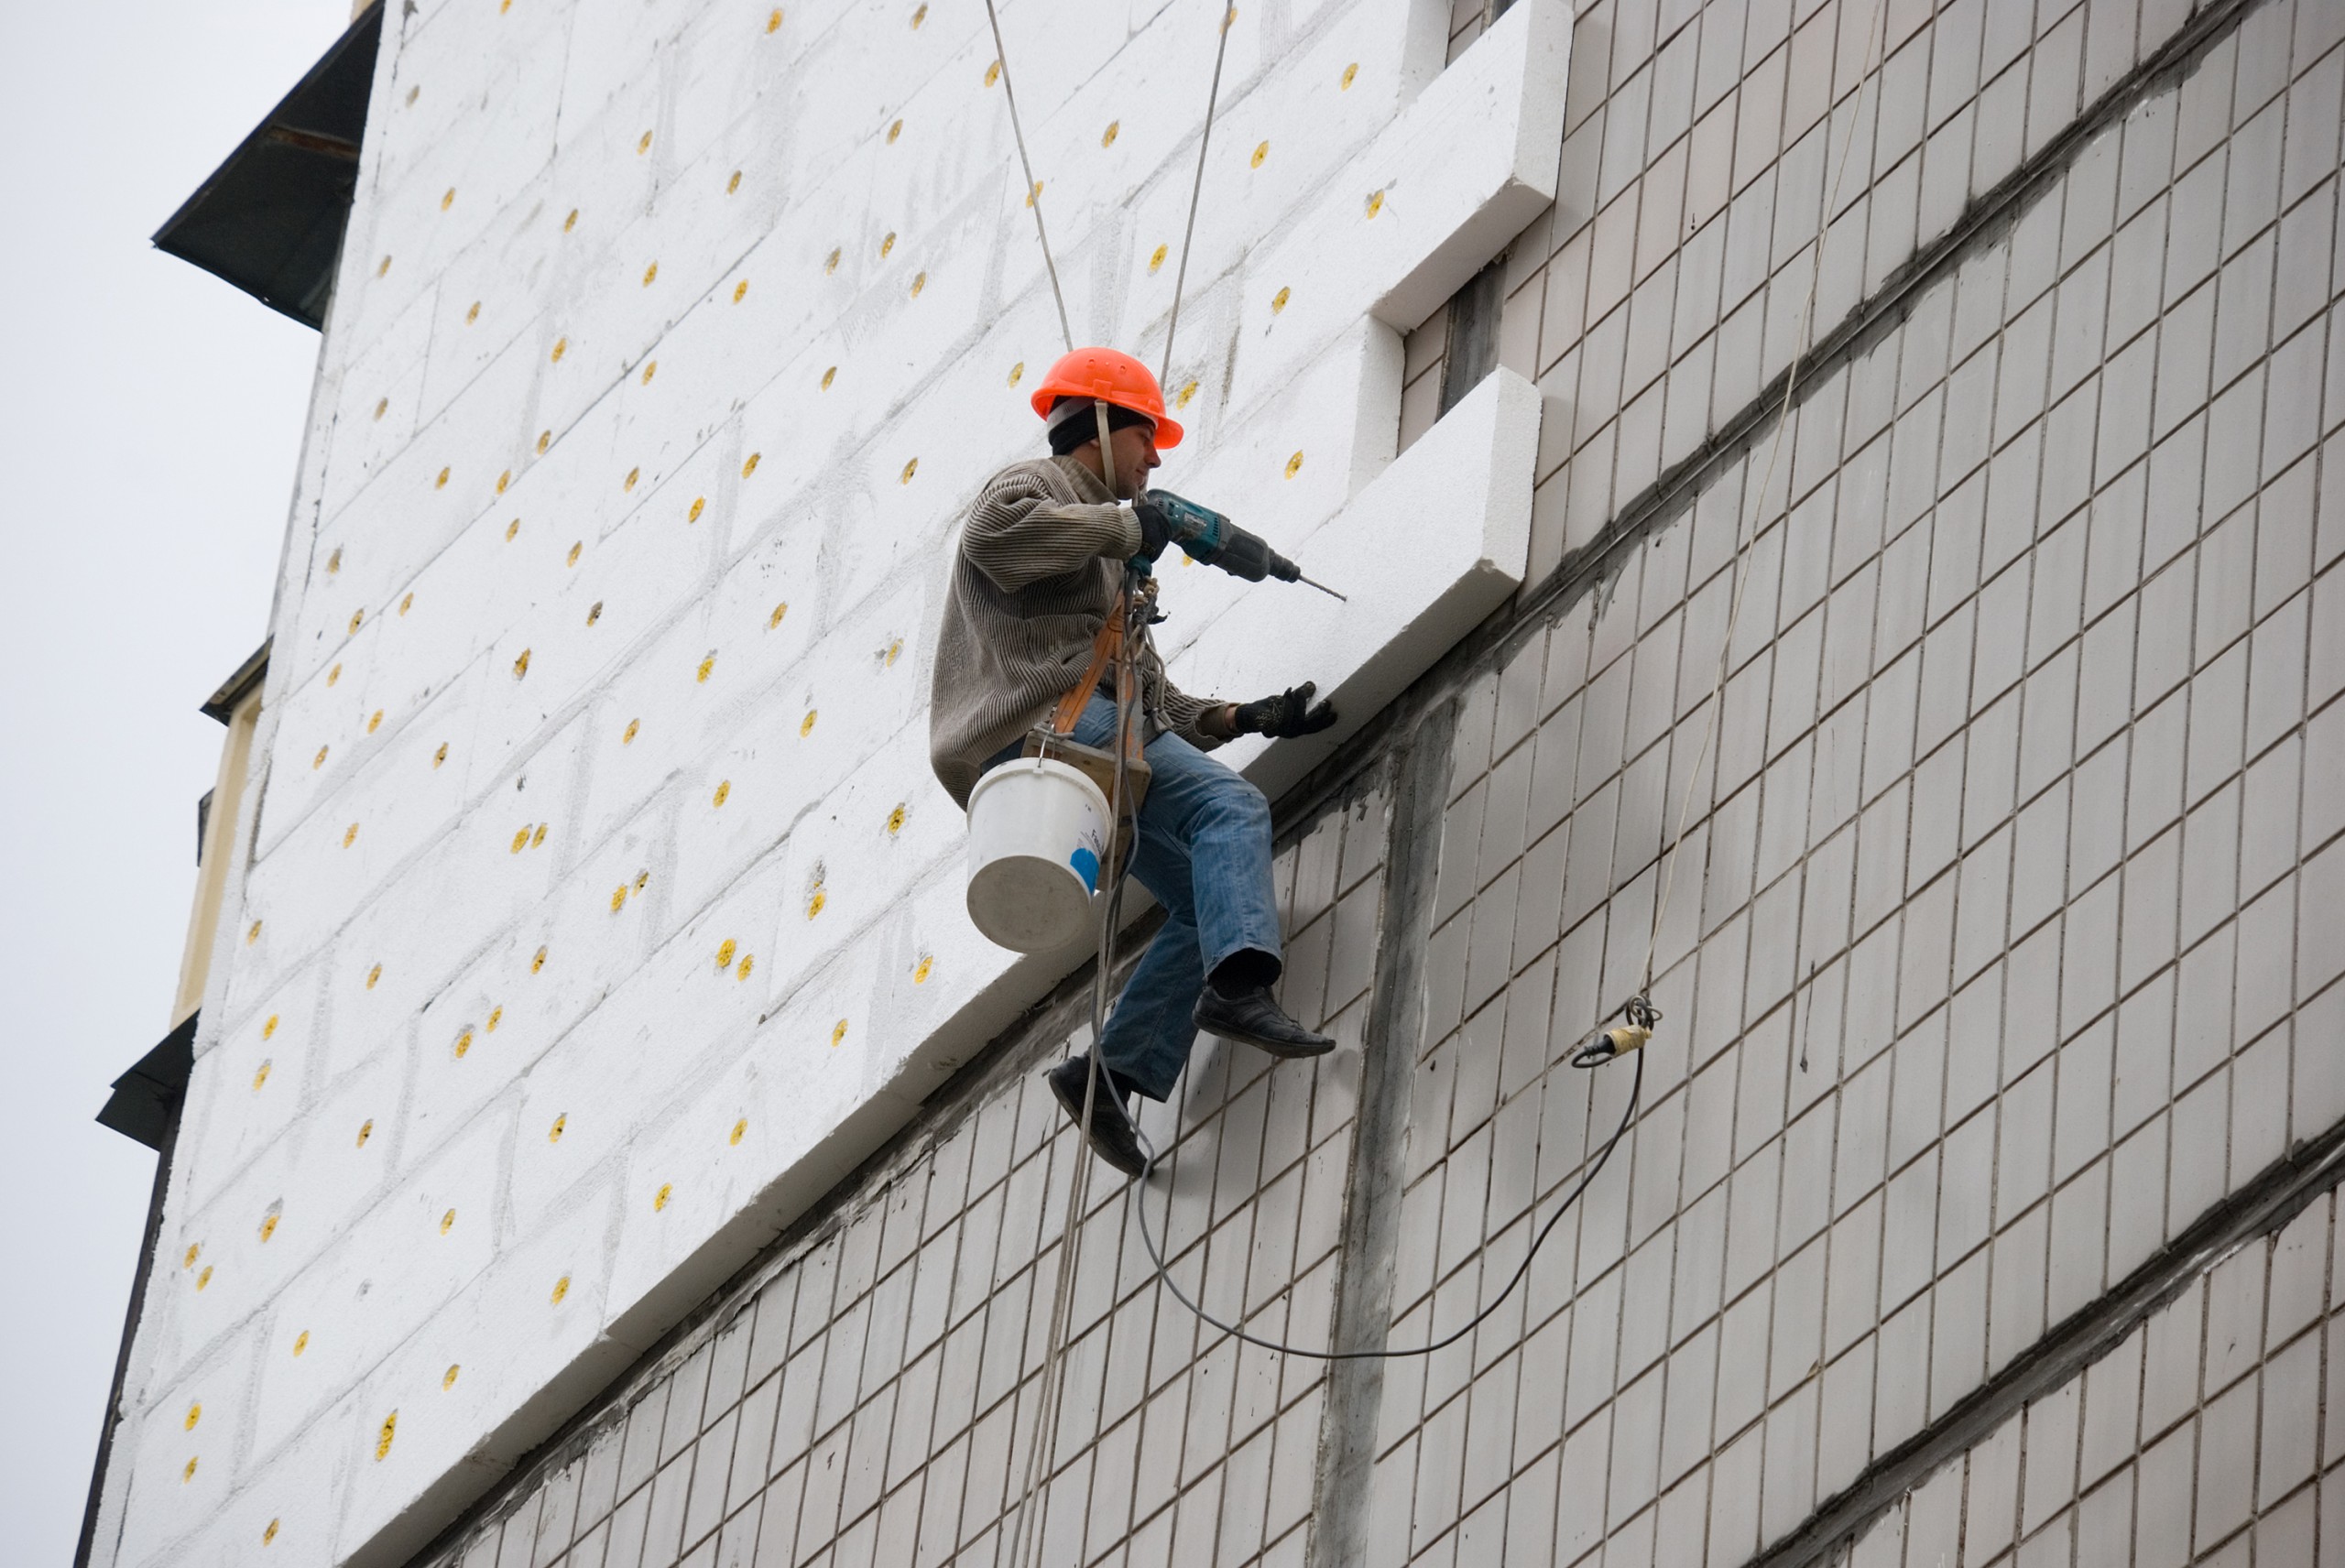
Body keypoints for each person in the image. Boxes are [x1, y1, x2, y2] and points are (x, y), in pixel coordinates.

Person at [929, 346, 1338, 1174]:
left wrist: (1244, 715)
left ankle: (1107, 1077)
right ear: (1104, 424)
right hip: (1048, 729)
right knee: (1232, 811)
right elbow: (994, 539)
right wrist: (1133, 525)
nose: (1155, 460)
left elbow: (1146, 696)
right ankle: (1240, 990)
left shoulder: (1115, 561)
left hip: (1085, 750)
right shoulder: (1036, 489)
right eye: (1148, 438)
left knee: (1199, 904)